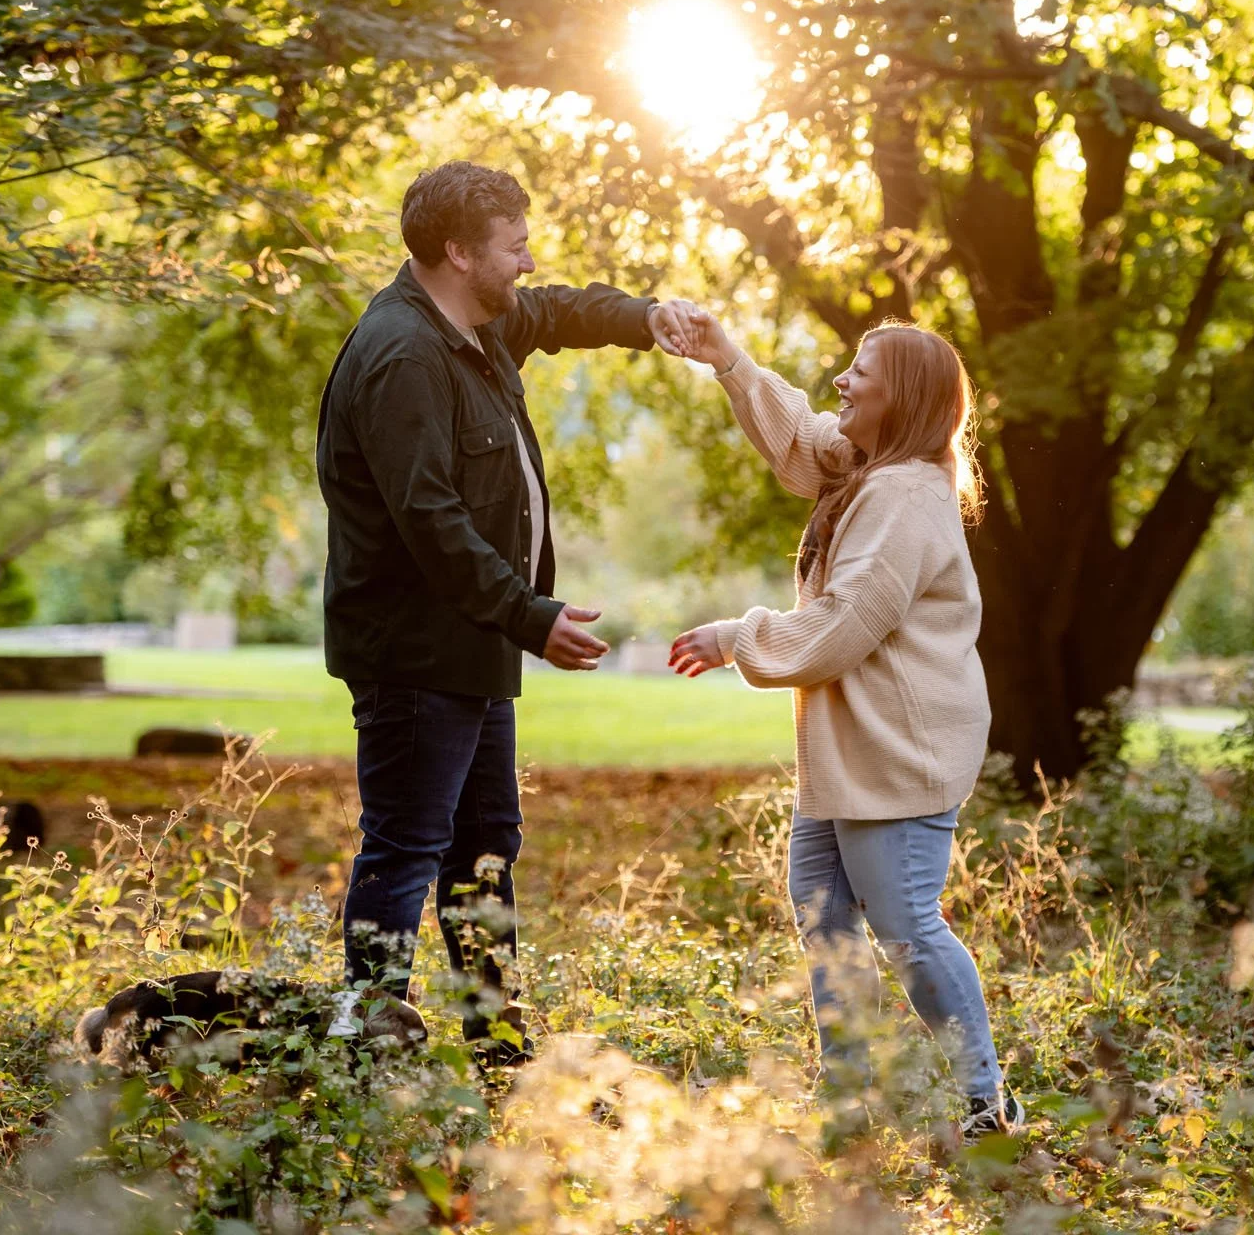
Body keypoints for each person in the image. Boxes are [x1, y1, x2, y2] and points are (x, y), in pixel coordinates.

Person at [314, 161, 697, 1060]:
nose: (527, 260)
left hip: (471, 647)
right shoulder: (405, 355)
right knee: (407, 846)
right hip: (415, 653)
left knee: (485, 847)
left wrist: (650, 319)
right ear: (457, 252)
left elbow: (559, 311)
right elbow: (431, 524)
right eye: (513, 244)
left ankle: (496, 1044)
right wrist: (529, 615)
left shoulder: (474, 323)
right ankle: (365, 1048)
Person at [664, 310, 1021, 1141]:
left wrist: (734, 639)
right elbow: (803, 439)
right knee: (824, 915)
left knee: (904, 924)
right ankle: (855, 1102)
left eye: (862, 371)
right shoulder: (870, 465)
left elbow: (842, 622)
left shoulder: (901, 497)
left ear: (901, 399)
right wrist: (730, 359)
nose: (842, 382)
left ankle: (987, 1099)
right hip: (850, 749)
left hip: (899, 748)